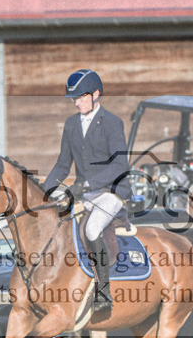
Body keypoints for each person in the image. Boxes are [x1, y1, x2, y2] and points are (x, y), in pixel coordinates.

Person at [41, 69, 130, 313]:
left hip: (111, 192)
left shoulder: (112, 123)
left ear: (96, 94)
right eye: (74, 99)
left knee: (92, 228)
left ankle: (104, 292)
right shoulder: (71, 124)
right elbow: (63, 164)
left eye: (81, 97)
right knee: (59, 225)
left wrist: (87, 184)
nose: (77, 103)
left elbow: (120, 165)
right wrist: (44, 191)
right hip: (85, 193)